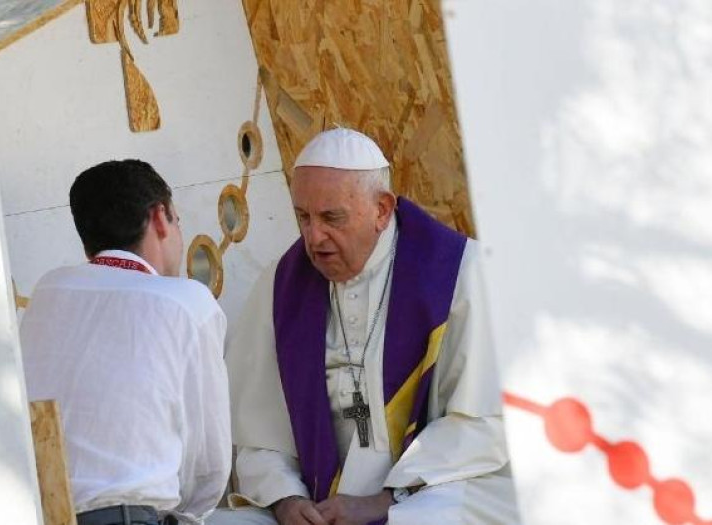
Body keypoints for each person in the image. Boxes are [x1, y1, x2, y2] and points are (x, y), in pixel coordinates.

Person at [211, 129, 518, 525]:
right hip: (321, 504)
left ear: (382, 209)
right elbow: (259, 435)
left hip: (432, 489)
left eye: (331, 217)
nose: (313, 236)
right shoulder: (281, 287)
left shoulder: (461, 273)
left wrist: (386, 500)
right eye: (303, 217)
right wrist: (286, 499)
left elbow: (483, 425)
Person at [20, 159, 231, 525]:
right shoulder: (187, 301)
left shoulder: (48, 291)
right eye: (178, 220)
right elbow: (207, 467)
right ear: (160, 217)